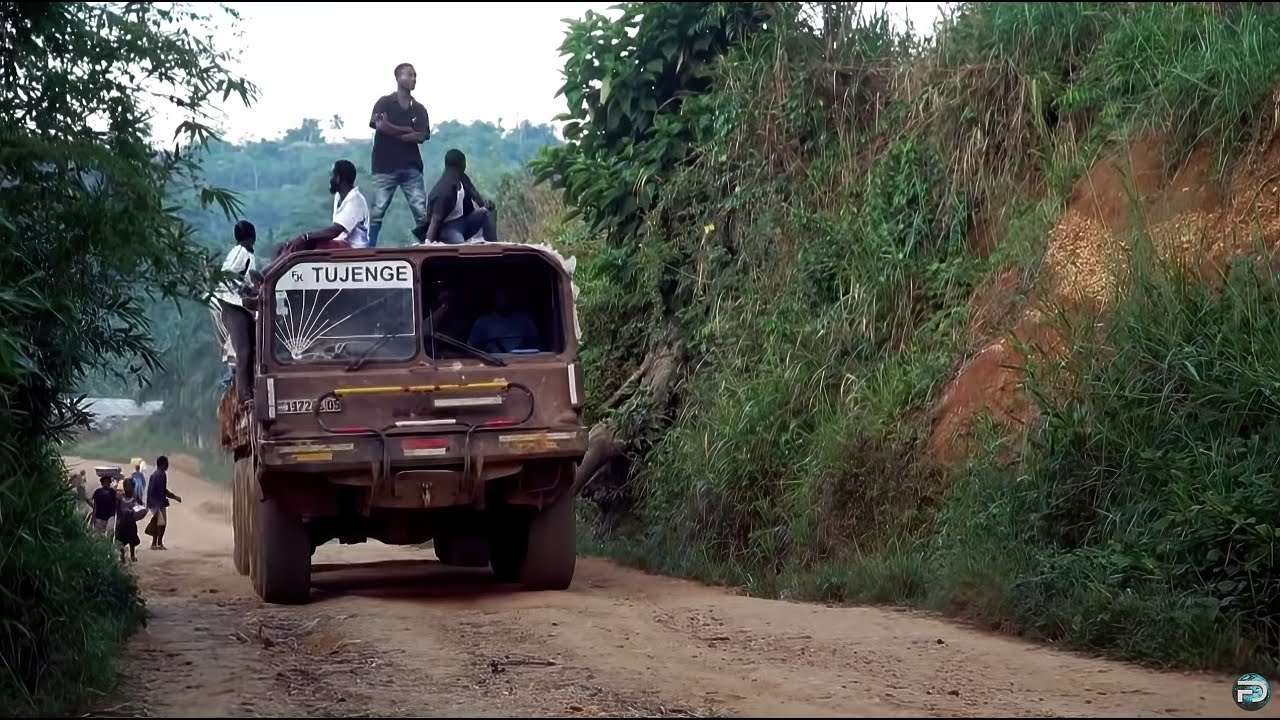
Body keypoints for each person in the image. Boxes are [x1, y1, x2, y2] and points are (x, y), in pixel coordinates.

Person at [367, 62, 430, 247]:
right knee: (378, 210)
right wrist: (405, 130)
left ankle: (428, 244)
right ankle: (369, 247)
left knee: (420, 211)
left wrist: (391, 129)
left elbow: (420, 136)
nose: (413, 79)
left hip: (411, 166)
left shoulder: (419, 109)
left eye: (415, 75)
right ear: (398, 77)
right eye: (409, 75)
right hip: (384, 166)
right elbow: (380, 125)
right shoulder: (384, 102)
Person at [278, 160, 369, 255]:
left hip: (354, 251)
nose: (330, 179)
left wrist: (305, 237)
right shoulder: (339, 197)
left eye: (332, 175)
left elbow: (334, 232)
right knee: (285, 247)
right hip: (342, 245)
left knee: (307, 244)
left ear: (338, 178)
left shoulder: (355, 201)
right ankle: (272, 269)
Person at [212, 220, 258, 403]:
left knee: (251, 347)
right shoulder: (242, 252)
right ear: (252, 238)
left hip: (237, 304)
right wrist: (244, 289)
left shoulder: (242, 252)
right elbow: (229, 275)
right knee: (244, 350)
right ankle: (244, 395)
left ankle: (250, 387)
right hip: (231, 304)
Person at [413, 149, 498, 245]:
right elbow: (435, 220)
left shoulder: (463, 178)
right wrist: (428, 243)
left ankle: (493, 244)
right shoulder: (443, 190)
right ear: (462, 164)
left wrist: (487, 205)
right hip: (447, 228)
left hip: (463, 222)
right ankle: (454, 243)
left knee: (486, 212)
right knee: (461, 247)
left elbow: (476, 196)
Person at [466, 287, 540, 353]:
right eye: (500, 297)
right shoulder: (482, 322)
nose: (503, 300)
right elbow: (471, 349)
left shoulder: (525, 320)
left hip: (523, 363)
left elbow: (537, 344)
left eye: (505, 296)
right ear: (494, 299)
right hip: (493, 364)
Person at [144, 455, 182, 550]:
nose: (168, 465)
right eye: (167, 463)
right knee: (162, 524)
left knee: (158, 523)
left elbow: (152, 490)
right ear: (164, 464)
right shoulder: (161, 474)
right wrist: (175, 497)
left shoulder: (155, 474)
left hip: (154, 502)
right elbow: (163, 491)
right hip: (158, 502)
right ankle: (158, 543)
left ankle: (154, 544)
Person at [116, 478, 144, 564]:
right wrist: (118, 519)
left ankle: (132, 555)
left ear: (133, 486)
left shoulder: (135, 497)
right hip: (122, 522)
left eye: (129, 486)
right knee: (121, 540)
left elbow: (141, 506)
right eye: (126, 486)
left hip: (131, 521)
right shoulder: (121, 497)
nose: (128, 488)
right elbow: (118, 509)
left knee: (132, 539)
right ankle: (122, 556)